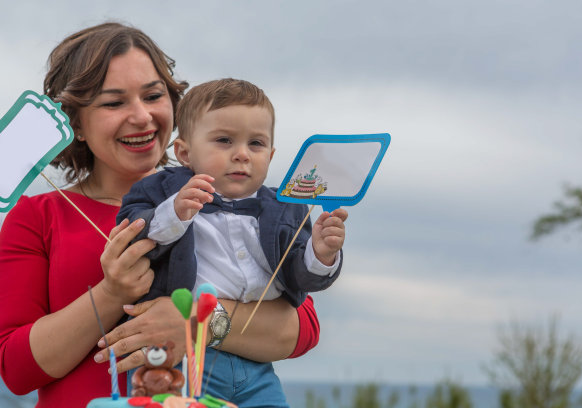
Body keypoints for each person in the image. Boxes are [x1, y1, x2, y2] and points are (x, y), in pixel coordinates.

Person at [0, 22, 321, 408]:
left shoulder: (225, 198)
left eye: (153, 96)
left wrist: (196, 322)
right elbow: (16, 370)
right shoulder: (38, 216)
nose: (142, 116)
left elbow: (301, 328)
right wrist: (111, 293)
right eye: (113, 102)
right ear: (76, 124)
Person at [117, 78, 349, 405]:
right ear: (184, 152)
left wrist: (321, 254)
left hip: (255, 361)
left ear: (270, 155)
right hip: (182, 359)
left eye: (255, 144)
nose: (241, 154)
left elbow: (299, 277)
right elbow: (133, 229)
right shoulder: (162, 191)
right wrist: (175, 213)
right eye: (224, 140)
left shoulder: (287, 208)